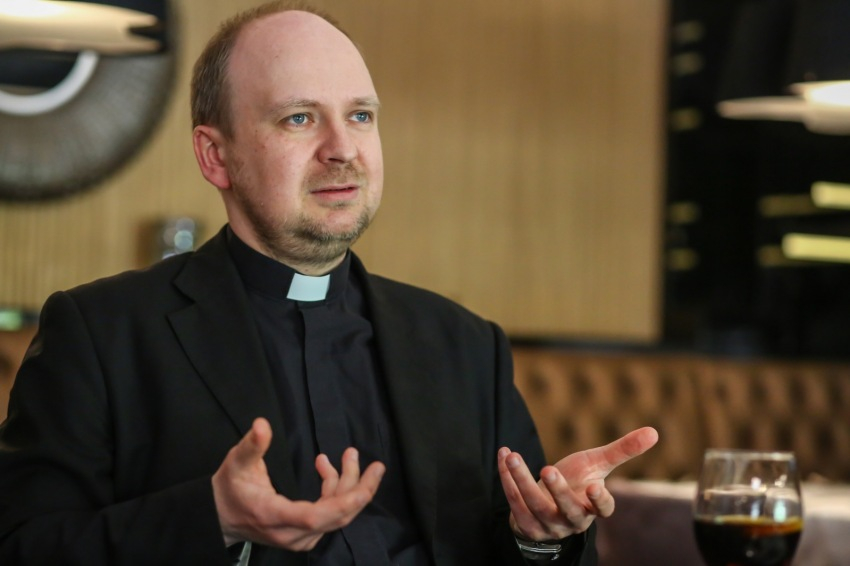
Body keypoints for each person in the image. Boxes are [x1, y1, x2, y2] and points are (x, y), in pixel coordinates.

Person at [0, 1, 658, 565]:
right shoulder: (103, 333)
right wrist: (213, 519)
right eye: (299, 118)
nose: (342, 148)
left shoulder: (465, 345)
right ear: (215, 155)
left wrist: (537, 538)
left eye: (361, 116)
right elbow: (23, 547)